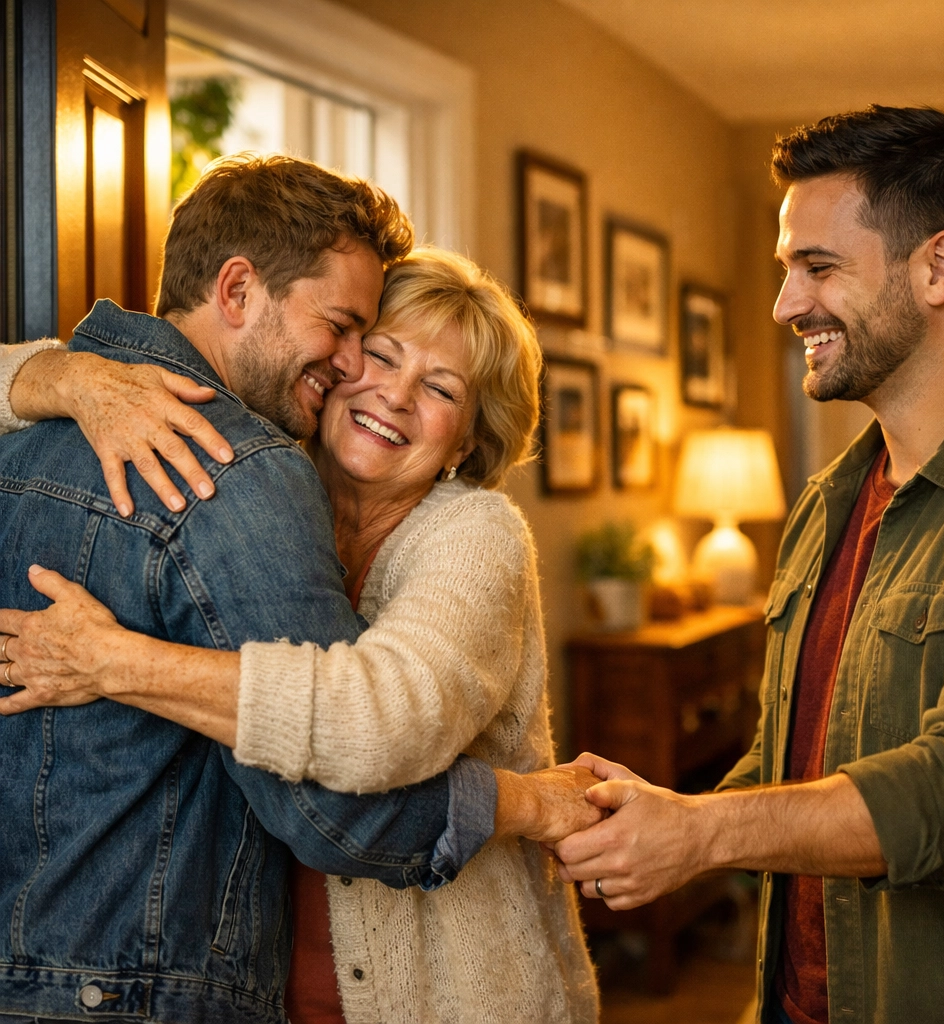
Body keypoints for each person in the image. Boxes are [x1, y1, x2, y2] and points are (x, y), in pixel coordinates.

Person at [0, 154, 599, 1024]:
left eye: (439, 388)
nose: (370, 377)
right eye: (361, 339)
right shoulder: (241, 472)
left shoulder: (472, 535)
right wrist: (57, 375)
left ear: (469, 439)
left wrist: (116, 662)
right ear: (237, 289)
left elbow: (377, 718)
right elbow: (339, 818)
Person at [551, 105, 944, 1024]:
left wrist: (703, 833)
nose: (784, 306)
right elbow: (792, 758)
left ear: (938, 266)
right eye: (785, 270)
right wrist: (645, 817)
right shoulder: (829, 501)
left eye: (819, 267)